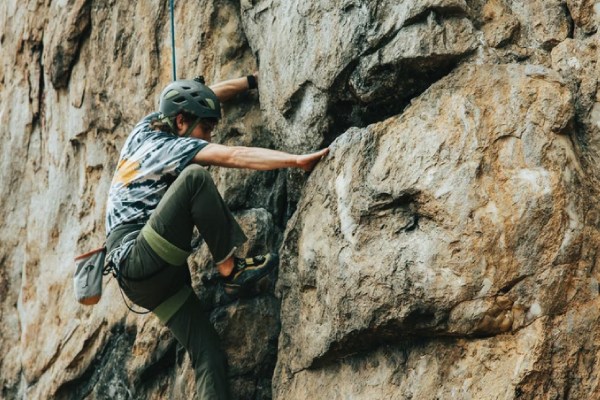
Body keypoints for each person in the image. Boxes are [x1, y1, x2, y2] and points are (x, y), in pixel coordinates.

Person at [104, 74, 328, 399]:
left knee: (208, 353)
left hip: (142, 282)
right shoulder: (172, 147)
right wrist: (295, 161)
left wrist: (251, 81)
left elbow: (209, 96)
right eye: (206, 129)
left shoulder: (146, 128)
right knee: (195, 177)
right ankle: (231, 270)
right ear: (181, 121)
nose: (209, 137)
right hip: (140, 253)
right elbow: (235, 156)